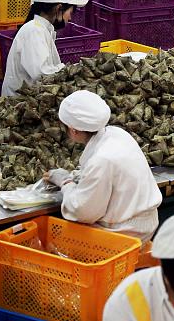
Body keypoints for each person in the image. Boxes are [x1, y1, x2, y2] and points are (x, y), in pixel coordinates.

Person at [44, 91, 163, 241]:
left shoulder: (101, 160)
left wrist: (66, 182)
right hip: (146, 223)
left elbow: (83, 212)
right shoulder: (118, 133)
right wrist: (79, 176)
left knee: (54, 239)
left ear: (73, 130)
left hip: (124, 233)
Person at [1, 0, 88, 98]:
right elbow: (41, 73)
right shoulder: (34, 31)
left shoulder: (42, 29)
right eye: (70, 13)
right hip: (18, 104)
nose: (70, 18)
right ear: (59, 8)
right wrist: (75, 69)